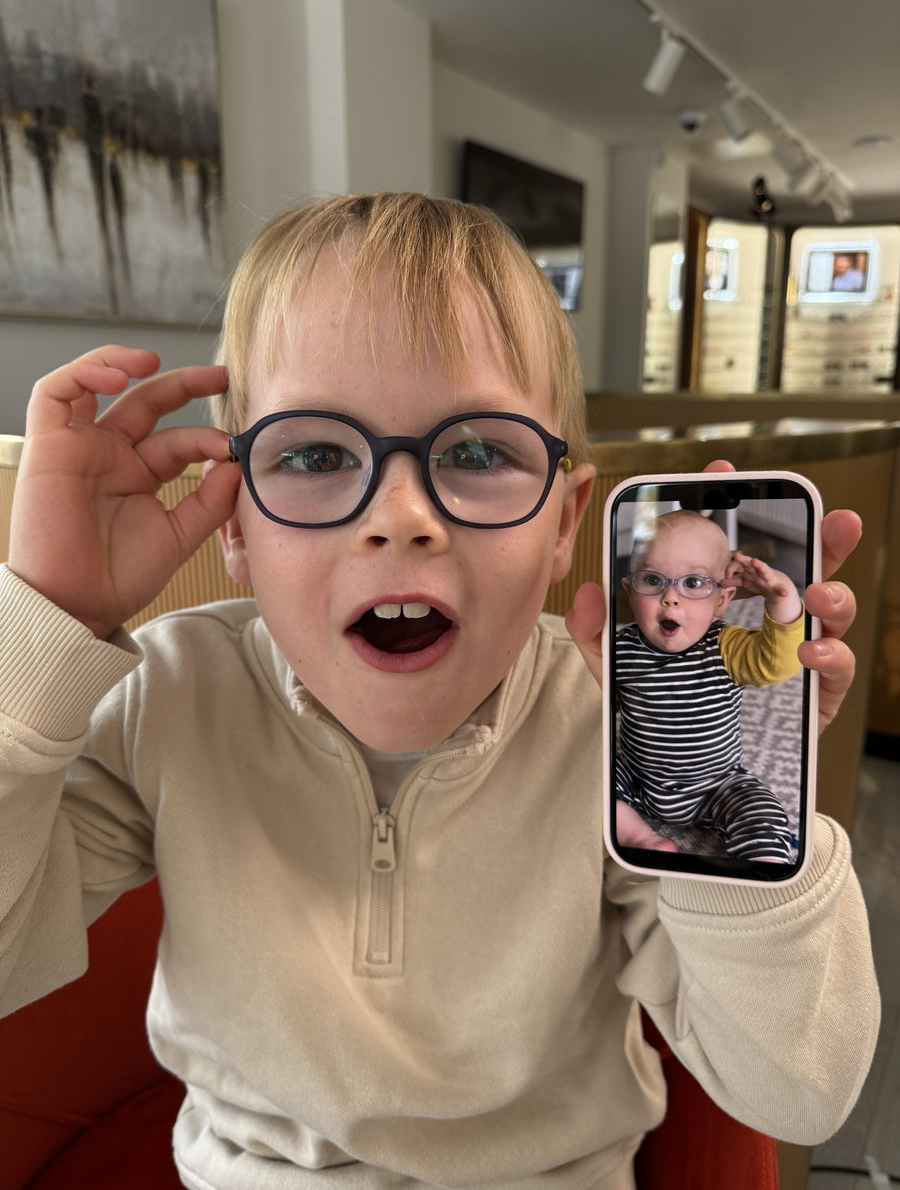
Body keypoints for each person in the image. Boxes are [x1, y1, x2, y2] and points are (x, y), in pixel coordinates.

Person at [0, 192, 879, 1190]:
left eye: (475, 453)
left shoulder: (609, 727)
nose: (401, 517)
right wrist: (46, 623)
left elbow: (800, 1091)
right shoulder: (170, 693)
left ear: (561, 524)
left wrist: (727, 791)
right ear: (235, 521)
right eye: (317, 454)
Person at [614, 509, 806, 860]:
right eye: (653, 580)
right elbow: (594, 697)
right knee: (588, 773)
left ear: (722, 600)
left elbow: (776, 662)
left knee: (762, 811)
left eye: (692, 583)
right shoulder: (622, 649)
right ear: (630, 591)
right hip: (639, 777)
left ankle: (763, 864)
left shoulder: (725, 647)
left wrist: (782, 600)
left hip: (717, 785)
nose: (670, 598)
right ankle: (639, 836)